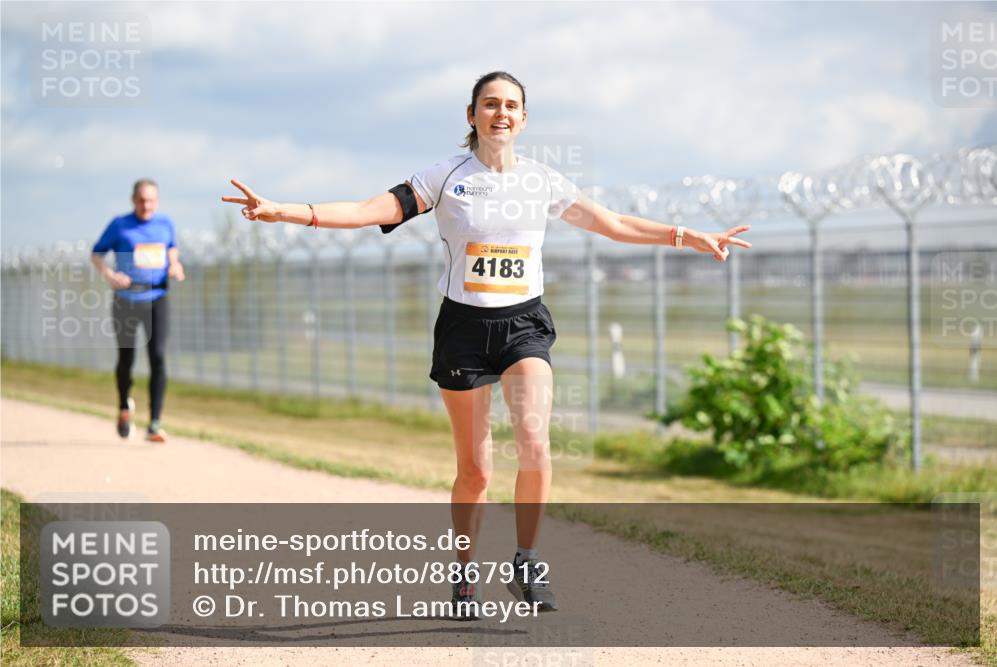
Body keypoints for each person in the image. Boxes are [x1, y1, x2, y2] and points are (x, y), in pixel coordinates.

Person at [221, 71, 750, 618]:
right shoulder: (445, 177)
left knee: (535, 440)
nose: (501, 113)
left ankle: (525, 560)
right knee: (475, 469)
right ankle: (466, 571)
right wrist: (284, 210)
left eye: (511, 106)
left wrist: (688, 236)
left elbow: (612, 224)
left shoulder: (543, 181)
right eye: (490, 104)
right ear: (471, 116)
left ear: (523, 119)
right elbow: (366, 210)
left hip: (524, 324)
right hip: (463, 331)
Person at [91, 179, 185, 443]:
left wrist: (174, 266)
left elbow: (172, 249)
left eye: (151, 200)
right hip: (126, 299)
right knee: (127, 358)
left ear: (157, 201)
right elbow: (96, 254)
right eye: (142, 200)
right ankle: (124, 406)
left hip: (157, 297)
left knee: (158, 356)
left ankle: (154, 423)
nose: (146, 205)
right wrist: (110, 275)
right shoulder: (119, 225)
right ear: (133, 200)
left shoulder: (165, 224)